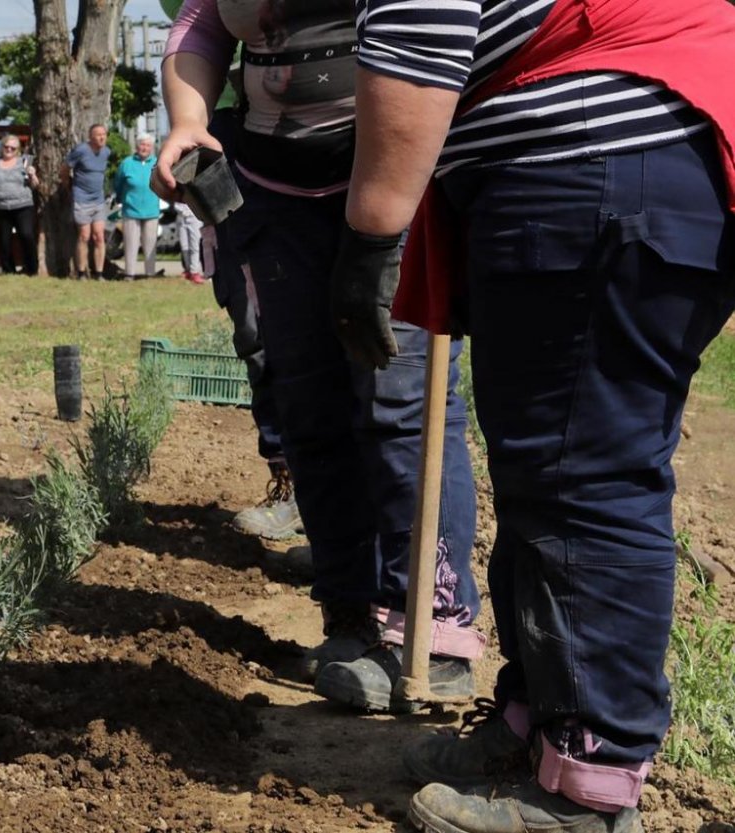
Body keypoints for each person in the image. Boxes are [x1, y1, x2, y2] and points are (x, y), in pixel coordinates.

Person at [329, 0, 735, 830]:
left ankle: (589, 780)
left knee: (581, 473)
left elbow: (423, 19)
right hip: (613, 152)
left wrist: (371, 238)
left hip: (603, 153)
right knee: (542, 469)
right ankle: (537, 720)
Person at [157, 0, 483, 709]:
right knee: (308, 399)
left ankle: (432, 631)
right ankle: (351, 614)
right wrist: (189, 119)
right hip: (274, 187)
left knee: (397, 402)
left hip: (388, 172)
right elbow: (203, 22)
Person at [61, 124, 111, 280]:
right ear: (90, 137)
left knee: (99, 236)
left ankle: (99, 273)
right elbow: (64, 168)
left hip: (98, 199)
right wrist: (68, 186)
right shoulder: (81, 150)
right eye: (98, 135)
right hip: (82, 198)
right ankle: (81, 272)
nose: (102, 137)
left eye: (104, 134)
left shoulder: (106, 152)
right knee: (84, 235)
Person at [0, 133, 38, 276]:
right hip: (0, 207)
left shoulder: (24, 162)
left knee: (26, 235)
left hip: (23, 205)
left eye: (13, 148)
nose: (9, 150)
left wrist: (32, 175)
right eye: (6, 147)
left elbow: (35, 185)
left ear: (18, 150)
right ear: (1, 147)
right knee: (4, 241)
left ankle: (31, 269)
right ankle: (9, 270)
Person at [113, 133, 161, 281]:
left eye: (147, 145)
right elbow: (118, 184)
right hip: (131, 209)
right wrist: (121, 199)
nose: (144, 148)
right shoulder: (126, 163)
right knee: (130, 244)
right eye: (142, 144)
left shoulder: (157, 163)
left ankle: (150, 273)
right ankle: (129, 274)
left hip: (151, 209)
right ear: (137, 146)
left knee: (150, 244)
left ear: (151, 147)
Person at [174, 201, 204, 285]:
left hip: (194, 216)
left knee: (194, 246)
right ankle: (188, 270)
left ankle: (195, 272)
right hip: (181, 215)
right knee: (184, 246)